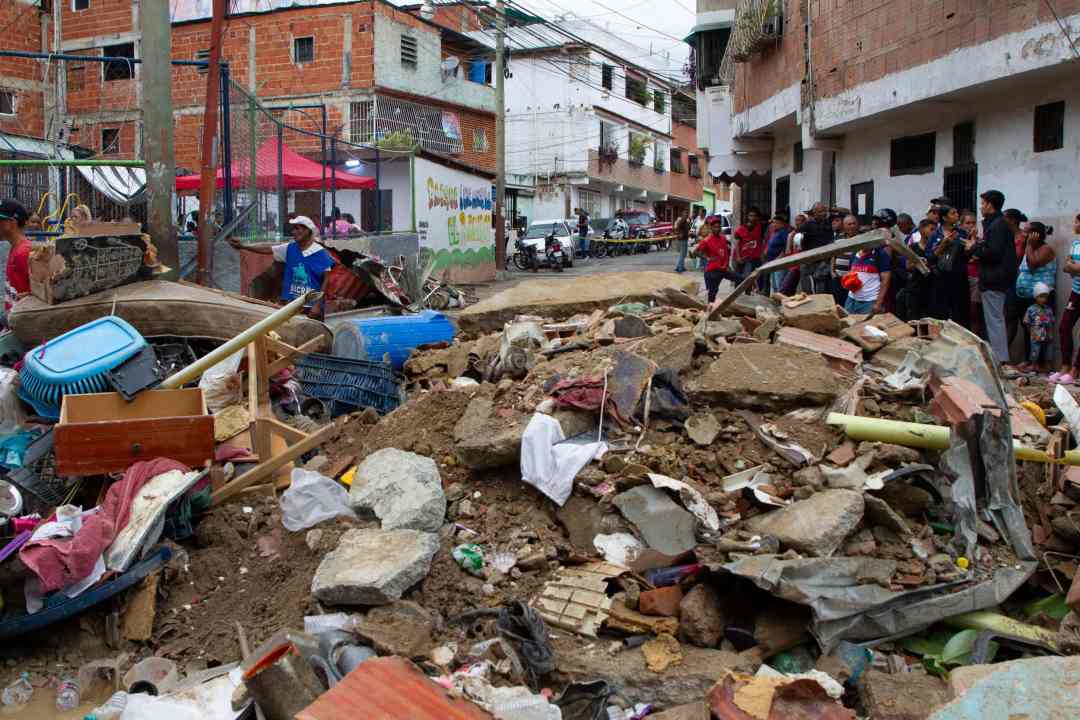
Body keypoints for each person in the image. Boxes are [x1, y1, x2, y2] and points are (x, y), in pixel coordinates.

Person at [228, 215, 334, 314]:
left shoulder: (320, 253)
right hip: (292, 304)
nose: (293, 232)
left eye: (297, 229)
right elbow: (267, 249)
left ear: (307, 231)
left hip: (310, 306)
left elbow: (326, 280)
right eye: (293, 229)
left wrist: (317, 304)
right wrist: (244, 246)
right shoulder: (290, 248)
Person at [966, 189, 1016, 366]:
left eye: (983, 203)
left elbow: (993, 253)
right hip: (995, 278)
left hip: (994, 279)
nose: (981, 207)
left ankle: (1000, 359)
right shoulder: (996, 224)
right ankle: (998, 357)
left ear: (990, 205)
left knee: (995, 320)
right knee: (994, 319)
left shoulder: (997, 225)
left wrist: (974, 247)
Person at [1008, 220, 1056, 348]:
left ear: (1035, 235)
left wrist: (1029, 245)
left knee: (1038, 330)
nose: (1023, 234)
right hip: (1024, 296)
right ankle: (1030, 357)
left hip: (1039, 298)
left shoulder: (1046, 249)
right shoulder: (1028, 248)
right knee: (1027, 328)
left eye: (1026, 232)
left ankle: (1038, 359)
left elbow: (1033, 264)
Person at [930, 205, 970, 326]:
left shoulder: (962, 233)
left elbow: (967, 255)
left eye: (957, 212)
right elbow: (931, 257)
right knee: (941, 312)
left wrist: (970, 245)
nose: (957, 215)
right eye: (953, 213)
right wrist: (944, 243)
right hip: (940, 278)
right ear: (944, 217)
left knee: (960, 312)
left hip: (959, 277)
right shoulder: (935, 234)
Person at [1053, 212, 1080, 384]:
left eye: (1076, 222)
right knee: (1064, 327)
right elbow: (1066, 266)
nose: (1074, 224)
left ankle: (1075, 370)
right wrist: (1073, 266)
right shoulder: (1075, 244)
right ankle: (1065, 366)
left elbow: (1073, 267)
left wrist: (1073, 267)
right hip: (1076, 292)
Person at [898, 218, 938, 320]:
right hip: (916, 288)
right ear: (921, 230)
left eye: (935, 230)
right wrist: (919, 263)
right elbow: (908, 266)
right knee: (914, 319)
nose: (934, 233)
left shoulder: (937, 248)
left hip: (933, 289)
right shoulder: (913, 247)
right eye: (931, 229)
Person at [0, 199, 31, 317]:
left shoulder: (23, 252)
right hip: (13, 317)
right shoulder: (15, 248)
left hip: (23, 321)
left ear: (12, 223)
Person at [842, 241, 891, 316]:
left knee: (867, 323)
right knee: (848, 322)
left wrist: (878, 303)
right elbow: (850, 272)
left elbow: (885, 280)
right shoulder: (854, 254)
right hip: (851, 300)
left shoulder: (880, 254)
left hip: (870, 301)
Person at [698, 215, 740, 304]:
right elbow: (697, 252)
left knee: (741, 279)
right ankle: (710, 309)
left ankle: (743, 299)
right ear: (711, 228)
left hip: (723, 269)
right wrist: (707, 257)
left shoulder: (723, 238)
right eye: (715, 227)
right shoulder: (706, 240)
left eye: (718, 227)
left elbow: (725, 253)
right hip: (712, 271)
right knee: (712, 295)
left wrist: (728, 266)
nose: (717, 229)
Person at [795, 202, 834, 292]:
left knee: (820, 284)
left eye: (825, 211)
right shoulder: (808, 224)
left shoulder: (828, 223)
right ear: (814, 213)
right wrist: (795, 247)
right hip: (808, 260)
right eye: (820, 211)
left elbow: (832, 240)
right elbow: (795, 234)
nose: (824, 213)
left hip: (822, 260)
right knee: (806, 286)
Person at [1020, 282, 1054, 374]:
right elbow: (1026, 322)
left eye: (1045, 297)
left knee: (1048, 351)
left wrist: (1050, 333)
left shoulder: (1048, 309)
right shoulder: (1031, 309)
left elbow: (1051, 322)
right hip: (1036, 335)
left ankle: (1047, 367)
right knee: (1035, 350)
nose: (1043, 299)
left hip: (1047, 335)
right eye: (1041, 297)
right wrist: (1032, 332)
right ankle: (1033, 365)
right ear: (1035, 297)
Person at [960, 211, 984, 337]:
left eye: (973, 223)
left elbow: (978, 257)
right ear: (961, 225)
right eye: (967, 223)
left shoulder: (980, 241)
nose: (970, 226)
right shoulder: (958, 240)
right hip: (961, 278)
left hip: (976, 278)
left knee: (975, 312)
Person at [830, 214, 860, 306]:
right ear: (844, 226)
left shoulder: (862, 238)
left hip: (853, 279)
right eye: (849, 224)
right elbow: (833, 255)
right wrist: (832, 272)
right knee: (838, 304)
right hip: (838, 278)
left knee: (850, 305)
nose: (852, 226)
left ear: (857, 225)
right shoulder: (839, 238)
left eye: (854, 223)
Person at [733, 206, 765, 289]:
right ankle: (738, 293)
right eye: (751, 215)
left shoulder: (759, 226)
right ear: (747, 216)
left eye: (754, 216)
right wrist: (738, 257)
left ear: (757, 217)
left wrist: (761, 254)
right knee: (741, 277)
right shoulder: (741, 229)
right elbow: (736, 244)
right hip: (742, 257)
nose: (752, 218)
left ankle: (750, 291)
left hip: (755, 256)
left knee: (754, 276)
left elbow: (761, 241)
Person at [764, 211, 791, 293]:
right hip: (772, 262)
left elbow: (786, 247)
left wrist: (779, 258)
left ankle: (780, 299)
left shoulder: (784, 233)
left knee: (779, 284)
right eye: (773, 223)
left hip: (779, 263)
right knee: (774, 284)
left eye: (776, 223)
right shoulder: (775, 232)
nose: (773, 225)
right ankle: (774, 300)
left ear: (781, 224)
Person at [673, 207, 691, 273]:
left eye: (687, 213)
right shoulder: (682, 220)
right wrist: (680, 233)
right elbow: (676, 228)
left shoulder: (685, 221)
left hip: (684, 238)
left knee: (683, 254)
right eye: (685, 213)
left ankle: (680, 267)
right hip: (682, 239)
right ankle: (680, 268)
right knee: (682, 254)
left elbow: (687, 228)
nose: (686, 214)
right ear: (682, 214)